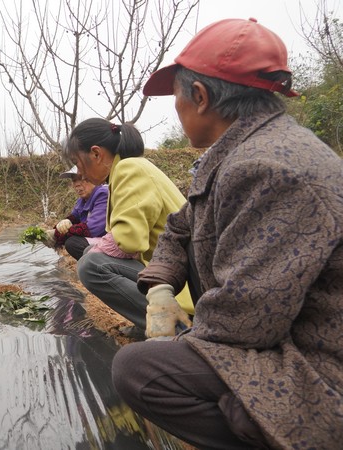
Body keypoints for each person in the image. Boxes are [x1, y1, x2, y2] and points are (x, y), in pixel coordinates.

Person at [112, 18, 343, 449]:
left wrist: (185, 344)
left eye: (177, 96)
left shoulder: (271, 167)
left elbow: (249, 316)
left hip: (320, 364)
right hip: (285, 329)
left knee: (139, 370)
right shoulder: (241, 153)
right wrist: (162, 286)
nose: (176, 108)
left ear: (199, 97)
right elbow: (182, 224)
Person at [66, 118, 192, 336]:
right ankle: (148, 322)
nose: (80, 173)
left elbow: (129, 240)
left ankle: (175, 325)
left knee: (91, 265)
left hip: (183, 278)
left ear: (96, 154)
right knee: (91, 255)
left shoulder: (129, 169)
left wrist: (96, 248)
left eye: (78, 163)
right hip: (175, 270)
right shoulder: (127, 169)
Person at [51, 165, 108, 261]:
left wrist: (58, 234)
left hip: (114, 243)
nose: (77, 185)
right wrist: (64, 223)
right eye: (74, 180)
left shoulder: (103, 194)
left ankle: (102, 268)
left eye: (81, 179)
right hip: (98, 241)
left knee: (73, 243)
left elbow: (93, 229)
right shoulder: (82, 200)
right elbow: (74, 217)